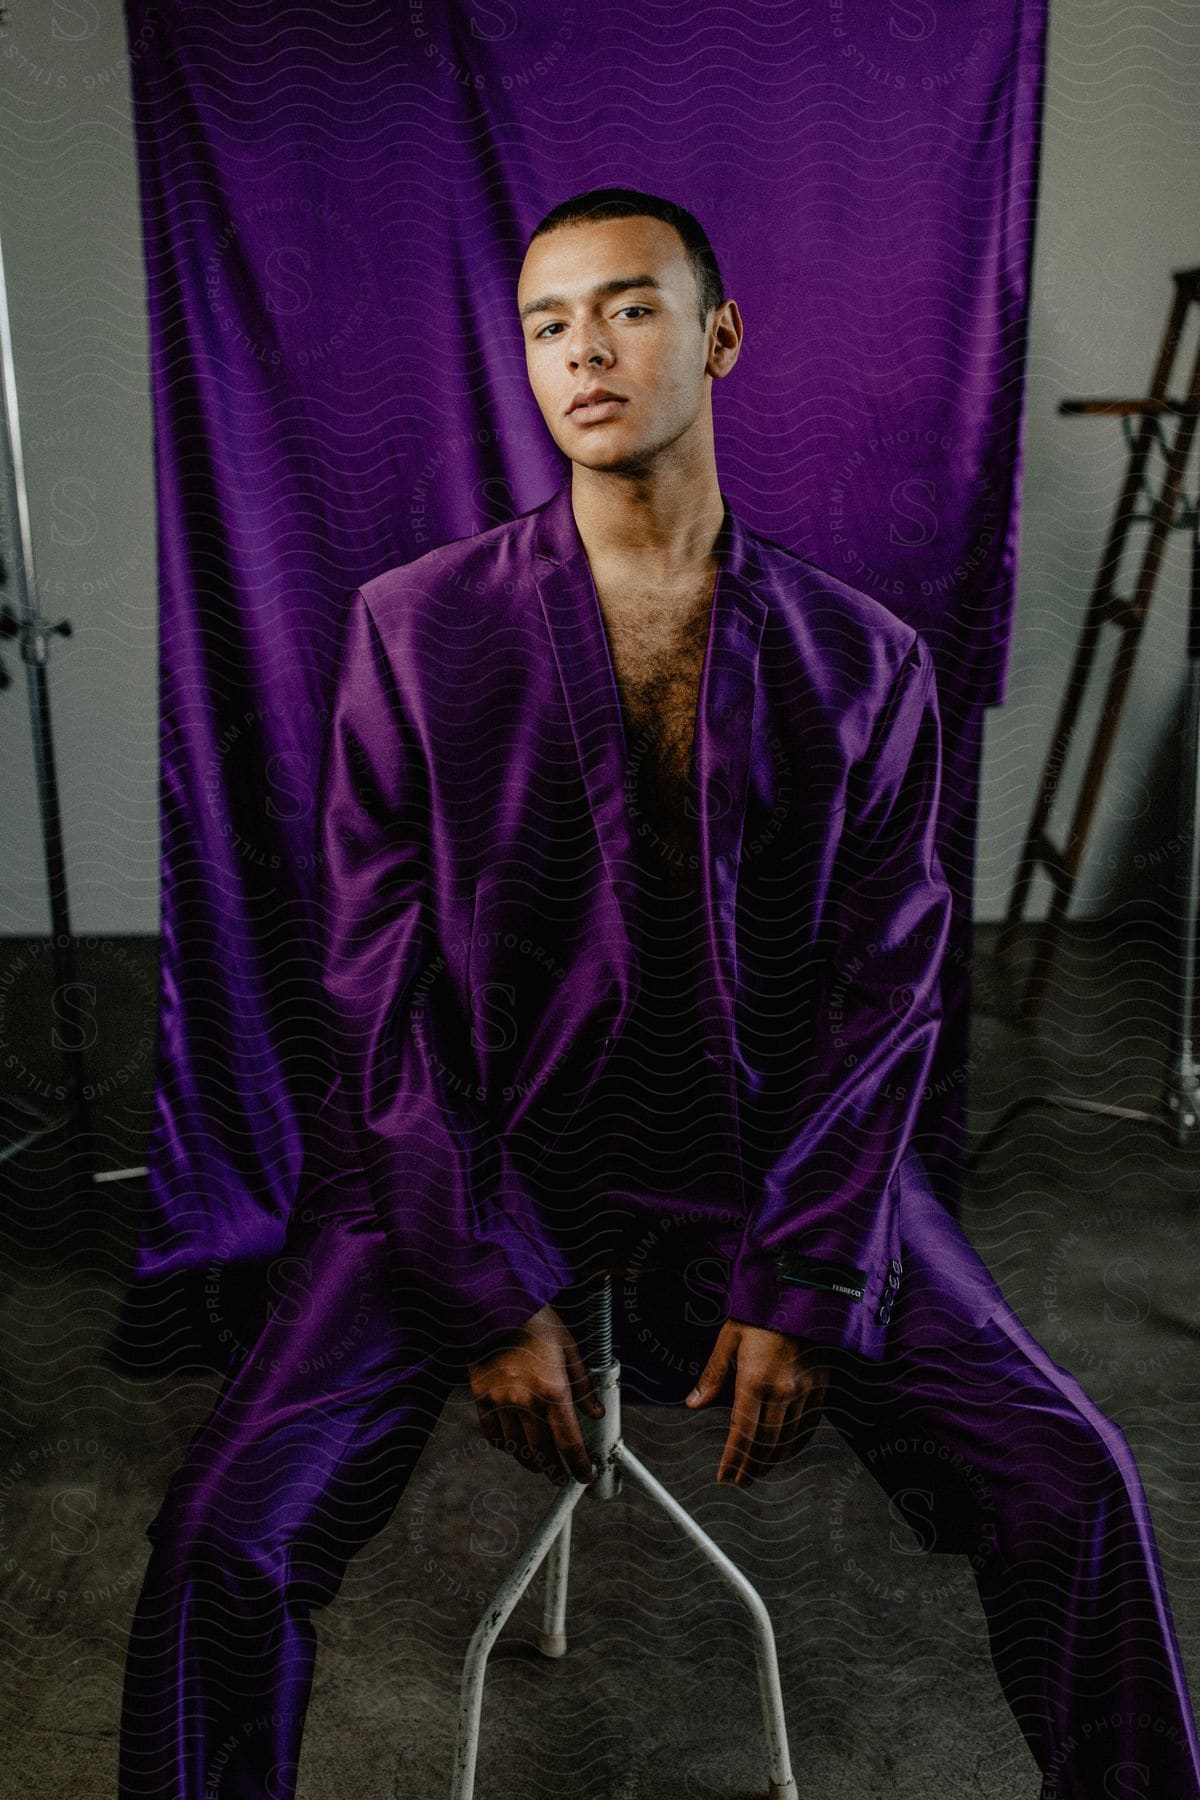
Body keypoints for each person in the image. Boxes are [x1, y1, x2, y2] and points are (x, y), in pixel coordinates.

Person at [118, 188, 1200, 1799]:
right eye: (548, 323)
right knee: (222, 1540)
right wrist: (481, 1289)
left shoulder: (862, 659)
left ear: (719, 334)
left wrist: (812, 1267)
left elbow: (888, 992)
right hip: (465, 1167)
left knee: (1075, 1484)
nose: (584, 352)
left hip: (776, 1166)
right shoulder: (415, 632)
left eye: (626, 308)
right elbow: (376, 991)